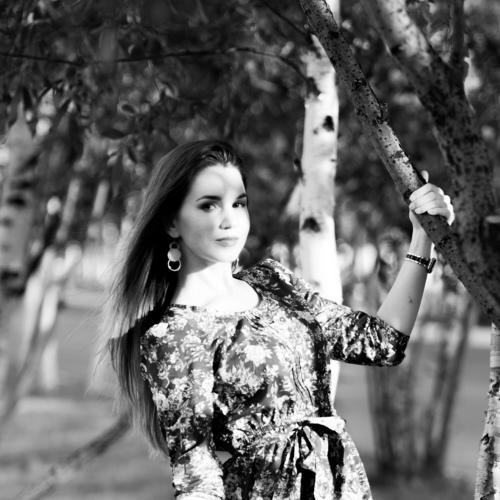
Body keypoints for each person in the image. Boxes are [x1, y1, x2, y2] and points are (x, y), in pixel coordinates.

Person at [106, 140, 453, 500]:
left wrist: (421, 237)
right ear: (171, 222)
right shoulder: (176, 335)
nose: (229, 220)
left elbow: (381, 342)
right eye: (209, 205)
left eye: (238, 203)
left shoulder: (274, 284)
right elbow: (198, 473)